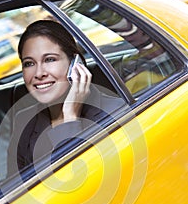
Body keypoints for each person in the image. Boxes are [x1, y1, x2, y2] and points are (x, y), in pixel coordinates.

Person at [7, 20, 124, 175]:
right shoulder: (23, 120)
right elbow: (12, 190)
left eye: (49, 59)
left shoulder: (115, 111)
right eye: (29, 63)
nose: (38, 73)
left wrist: (70, 117)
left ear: (75, 64)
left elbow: (79, 181)